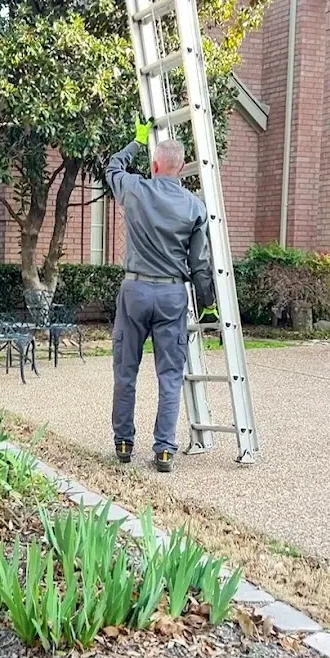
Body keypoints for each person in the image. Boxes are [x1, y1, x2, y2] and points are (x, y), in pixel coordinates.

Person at [105, 117, 217, 472]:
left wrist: (137, 140)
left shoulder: (136, 190)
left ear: (155, 166)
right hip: (172, 295)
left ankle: (124, 443)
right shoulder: (195, 206)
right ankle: (164, 450)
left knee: (126, 371)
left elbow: (113, 166)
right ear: (181, 168)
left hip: (135, 290)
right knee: (170, 375)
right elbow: (200, 263)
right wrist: (209, 305)